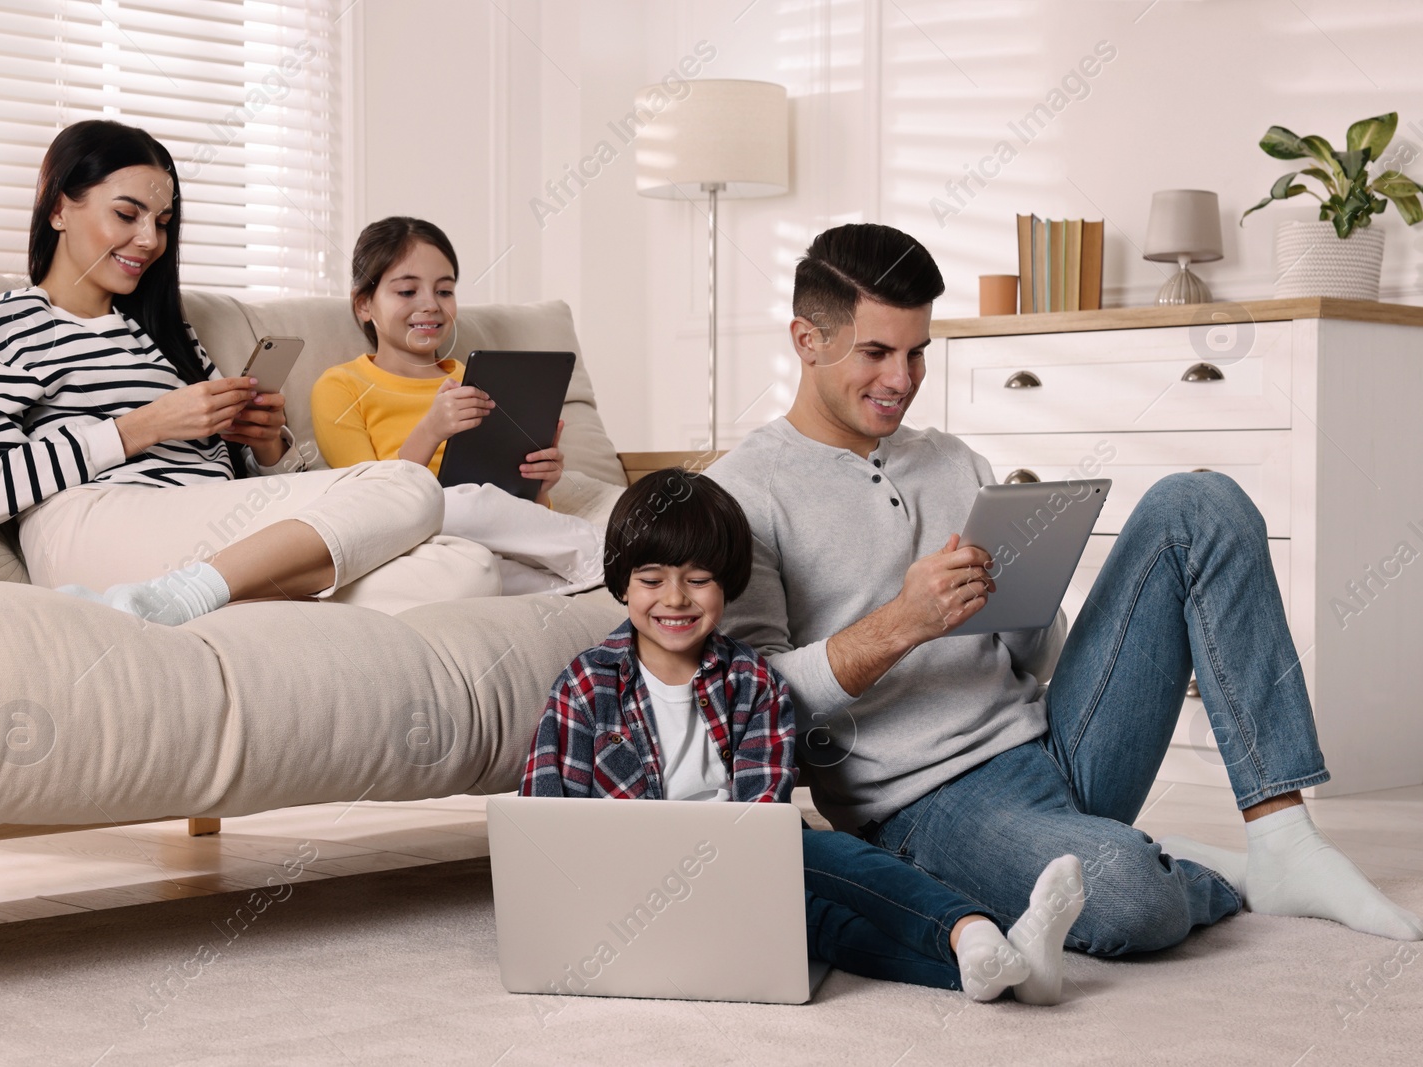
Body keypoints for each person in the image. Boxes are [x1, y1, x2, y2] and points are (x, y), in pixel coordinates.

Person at [707, 222, 1423, 955]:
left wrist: (1022, 598)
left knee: (1200, 503)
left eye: (917, 351)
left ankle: (1283, 837)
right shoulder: (739, 494)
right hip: (923, 808)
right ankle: (1183, 868)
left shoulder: (956, 460)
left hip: (1053, 742)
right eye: (877, 353)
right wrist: (903, 622)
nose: (902, 379)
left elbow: (1032, 660)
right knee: (1128, 895)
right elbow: (754, 703)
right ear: (806, 339)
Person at [521, 468, 1087, 1003]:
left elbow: (761, 820)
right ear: (622, 584)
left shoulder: (754, 683)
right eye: (651, 581)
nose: (674, 600)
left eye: (698, 581)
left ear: (728, 586)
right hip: (632, 890)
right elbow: (545, 824)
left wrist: (738, 881)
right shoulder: (586, 684)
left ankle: (992, 955)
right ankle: (980, 937)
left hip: (738, 873)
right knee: (810, 865)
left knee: (819, 902)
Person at [0, 120, 498, 624]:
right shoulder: (4, 322)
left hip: (203, 537)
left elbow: (237, 487)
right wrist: (145, 425)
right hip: (94, 524)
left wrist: (267, 449)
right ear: (60, 208)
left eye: (161, 222)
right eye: (127, 214)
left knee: (470, 571)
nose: (149, 240)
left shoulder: (166, 336)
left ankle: (191, 598)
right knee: (409, 484)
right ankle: (191, 595)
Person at [309, 216, 604, 596]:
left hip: (488, 540)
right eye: (406, 292)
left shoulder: (473, 379)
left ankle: (599, 576)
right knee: (465, 503)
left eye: (444, 291)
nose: (430, 305)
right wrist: (431, 430)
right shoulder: (340, 386)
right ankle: (617, 555)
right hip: (410, 533)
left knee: (490, 555)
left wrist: (539, 484)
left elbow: (513, 506)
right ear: (364, 304)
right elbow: (370, 506)